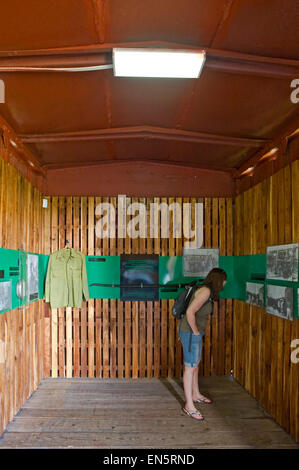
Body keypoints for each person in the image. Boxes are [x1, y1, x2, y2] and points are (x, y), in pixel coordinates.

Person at [178, 268, 227, 421]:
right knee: (190, 367)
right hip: (191, 332)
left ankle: (196, 394)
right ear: (219, 280)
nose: (225, 283)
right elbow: (190, 312)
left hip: (194, 332)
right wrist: (195, 332)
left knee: (195, 364)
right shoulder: (205, 292)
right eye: (224, 280)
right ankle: (189, 406)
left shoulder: (207, 291)